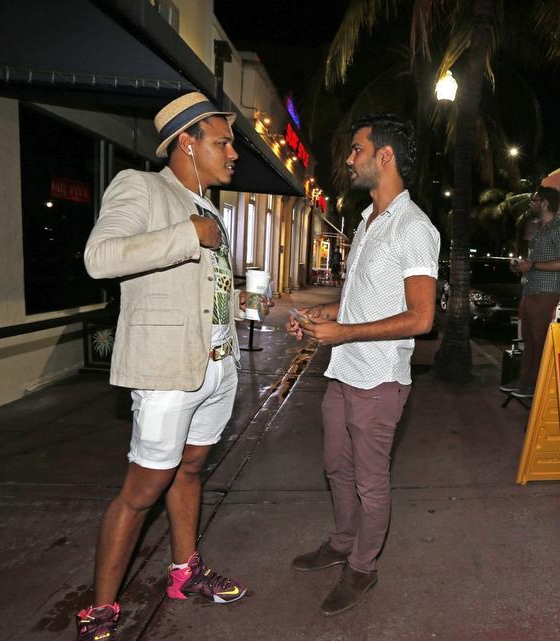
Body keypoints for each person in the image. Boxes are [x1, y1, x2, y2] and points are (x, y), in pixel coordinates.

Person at [76, 92, 269, 641]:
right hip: (164, 369)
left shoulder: (211, 208)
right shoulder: (140, 187)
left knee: (191, 469)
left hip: (216, 365)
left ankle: (184, 573)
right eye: (223, 141)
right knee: (142, 489)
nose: (233, 153)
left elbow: (205, 288)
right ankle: (101, 609)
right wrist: (187, 237)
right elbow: (100, 257)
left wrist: (240, 308)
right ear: (187, 141)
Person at [286, 113, 439, 617]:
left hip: (379, 380)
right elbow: (360, 303)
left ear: (384, 156)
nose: (349, 159)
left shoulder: (415, 228)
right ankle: (341, 542)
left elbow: (421, 318)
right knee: (336, 467)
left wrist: (343, 332)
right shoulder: (368, 220)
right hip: (343, 372)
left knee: (371, 481)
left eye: (356, 149)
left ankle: (363, 567)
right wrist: (319, 318)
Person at [501, 185, 560, 398]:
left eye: (535, 200)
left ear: (545, 203)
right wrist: (522, 266)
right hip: (532, 289)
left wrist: (532, 265)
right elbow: (536, 261)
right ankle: (525, 382)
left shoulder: (559, 228)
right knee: (530, 340)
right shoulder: (541, 228)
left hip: (545, 292)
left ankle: (536, 387)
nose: (531, 203)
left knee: (539, 341)